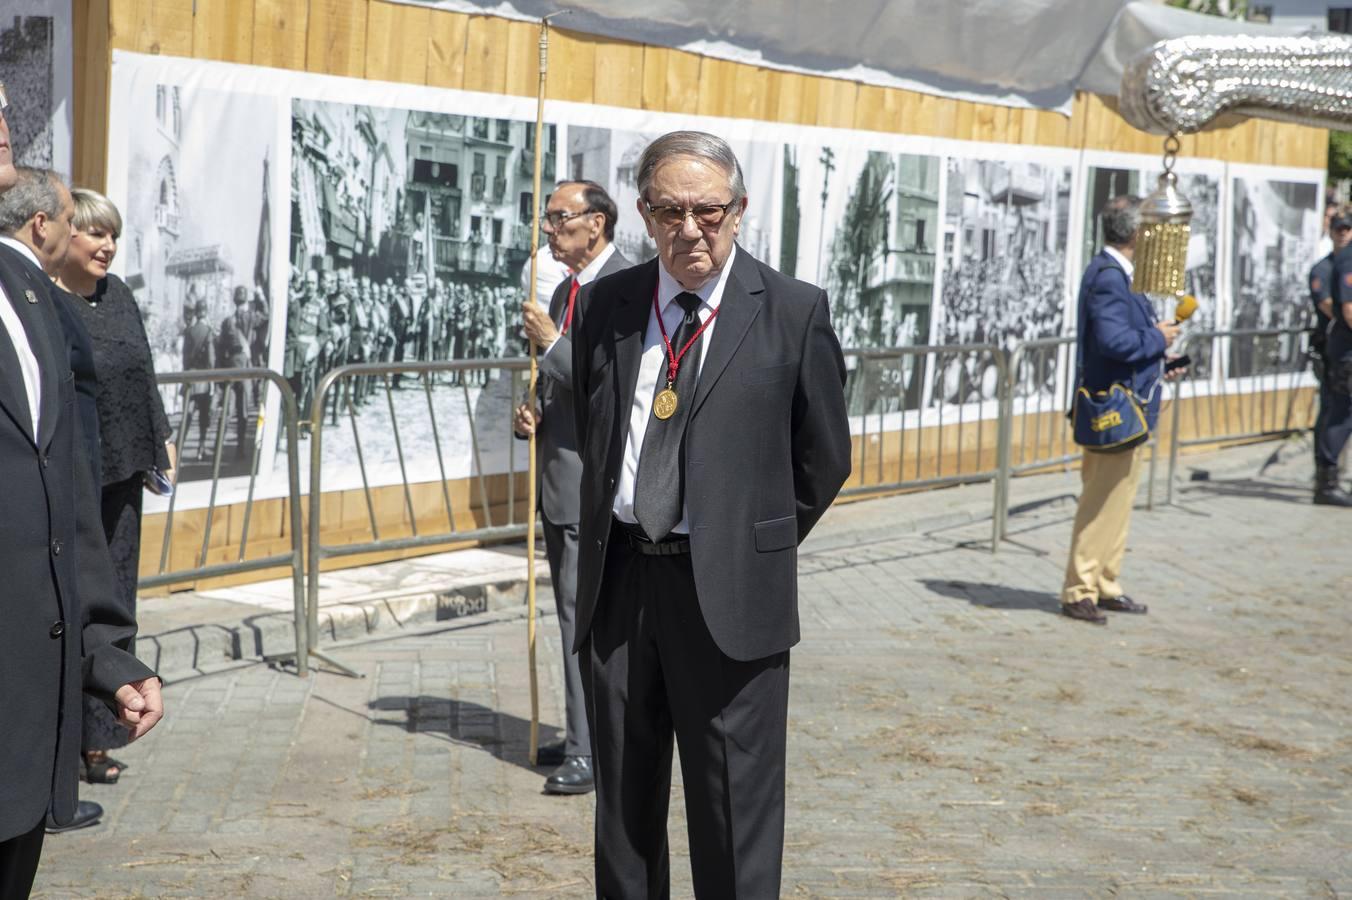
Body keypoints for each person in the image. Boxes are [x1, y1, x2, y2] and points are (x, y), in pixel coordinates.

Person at [569, 131, 851, 897]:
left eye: (708, 211)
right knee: (623, 813)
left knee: (733, 813)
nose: (688, 229)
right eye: (668, 211)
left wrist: (746, 541)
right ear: (642, 213)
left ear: (740, 211)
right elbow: (594, 428)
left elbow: (823, 459)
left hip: (728, 594)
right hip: (623, 584)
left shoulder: (792, 311)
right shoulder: (607, 304)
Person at [0, 84, 164, 899]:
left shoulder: (30, 299)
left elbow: (56, 487)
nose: (5, 128)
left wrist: (105, 655)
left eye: (4, 109)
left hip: (20, 725)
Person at [53, 188, 177, 788]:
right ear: (61, 236)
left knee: (114, 603)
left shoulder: (118, 293)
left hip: (124, 470)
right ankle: (59, 737)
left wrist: (161, 442)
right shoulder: (46, 300)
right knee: (65, 605)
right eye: (95, 233)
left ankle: (101, 737)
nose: (106, 246)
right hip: (71, 476)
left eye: (113, 237)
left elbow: (144, 371)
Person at [514, 181, 631, 796]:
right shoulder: (563, 289)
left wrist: (553, 345)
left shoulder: (624, 291)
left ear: (598, 222)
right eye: (548, 218)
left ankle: (591, 751)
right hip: (559, 478)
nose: (550, 230)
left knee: (582, 620)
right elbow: (561, 386)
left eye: (560, 219)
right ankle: (582, 732)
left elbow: (611, 388)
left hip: (593, 486)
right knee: (570, 618)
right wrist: (533, 410)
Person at [1061, 195, 1181, 624]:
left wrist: (1158, 363)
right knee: (1102, 501)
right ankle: (1080, 588)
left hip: (1126, 406)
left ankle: (1105, 583)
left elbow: (1121, 342)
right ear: (1135, 233)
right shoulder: (1110, 277)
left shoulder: (1116, 273)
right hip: (1112, 410)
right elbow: (1114, 342)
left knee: (1119, 501)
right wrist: (1159, 340)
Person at [1309, 207, 1352, 506]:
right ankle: (1325, 479)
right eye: (1339, 228)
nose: (1343, 233)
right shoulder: (1329, 266)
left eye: (1347, 229)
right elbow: (1341, 309)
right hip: (1337, 351)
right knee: (1335, 413)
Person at [1321, 216, 1352, 505]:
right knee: (1342, 415)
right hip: (1347, 354)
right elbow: (1349, 310)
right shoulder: (1348, 260)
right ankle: (1327, 483)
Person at [217, 285, 253, 456]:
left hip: (233, 368)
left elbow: (220, 349)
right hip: (242, 368)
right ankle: (236, 447)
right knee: (237, 411)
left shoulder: (231, 320)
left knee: (231, 410)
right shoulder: (245, 318)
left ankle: (225, 447)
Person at [181, 294, 215, 458]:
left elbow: (184, 356)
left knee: (187, 415)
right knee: (203, 417)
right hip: (203, 379)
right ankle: (200, 449)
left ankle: (179, 447)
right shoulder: (208, 332)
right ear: (206, 312)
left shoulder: (189, 331)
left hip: (189, 377)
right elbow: (211, 359)